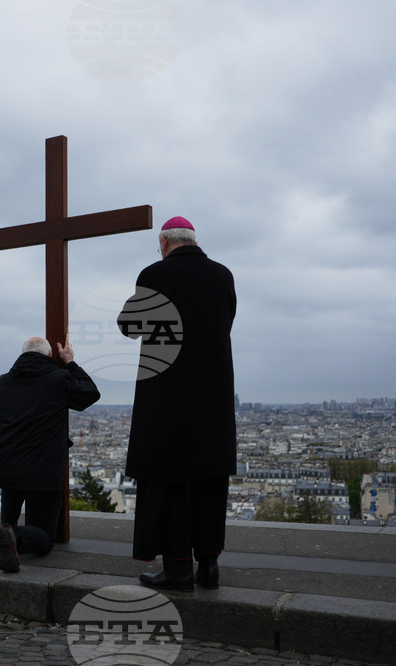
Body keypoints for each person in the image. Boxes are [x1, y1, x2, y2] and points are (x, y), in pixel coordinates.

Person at [118, 216, 237, 591]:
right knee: (208, 481)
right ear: (193, 240)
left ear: (165, 242)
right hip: (214, 397)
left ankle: (178, 569)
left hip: (166, 395)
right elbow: (225, 322)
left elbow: (129, 325)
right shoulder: (223, 276)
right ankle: (209, 566)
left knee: (170, 483)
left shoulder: (156, 274)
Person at [0, 336, 101, 573]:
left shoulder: (3, 382)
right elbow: (90, 393)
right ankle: (13, 535)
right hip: (42, 468)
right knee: (45, 538)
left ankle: (7, 532)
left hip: (6, 464)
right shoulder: (58, 379)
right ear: (49, 356)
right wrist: (70, 362)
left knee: (8, 517)